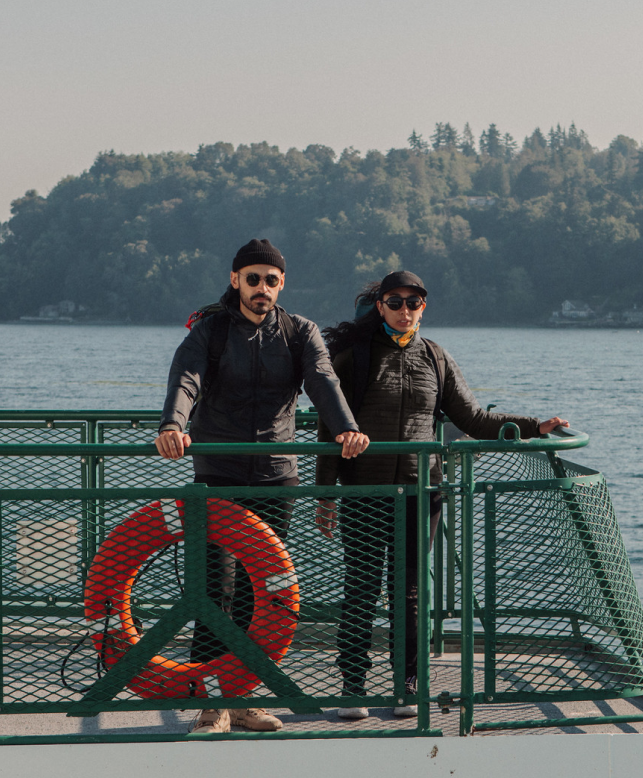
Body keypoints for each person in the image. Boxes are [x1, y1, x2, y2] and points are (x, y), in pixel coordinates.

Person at [315, 270, 568, 720]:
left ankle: (407, 685)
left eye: (414, 303)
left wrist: (533, 426)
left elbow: (473, 418)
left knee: (409, 592)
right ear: (380, 306)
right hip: (364, 490)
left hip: (421, 492)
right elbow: (330, 428)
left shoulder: (435, 358)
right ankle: (353, 686)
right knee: (361, 589)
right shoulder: (354, 357)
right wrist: (326, 495)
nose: (405, 310)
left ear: (424, 307)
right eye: (396, 302)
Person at [156, 238, 369, 734]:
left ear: (282, 284)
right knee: (215, 589)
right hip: (218, 474)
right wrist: (172, 425)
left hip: (276, 478)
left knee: (260, 594)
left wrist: (346, 428)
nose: (262, 288)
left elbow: (322, 380)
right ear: (235, 280)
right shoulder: (210, 331)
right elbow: (186, 378)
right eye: (253, 279)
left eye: (271, 280)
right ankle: (212, 705)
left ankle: (242, 698)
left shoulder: (300, 332)